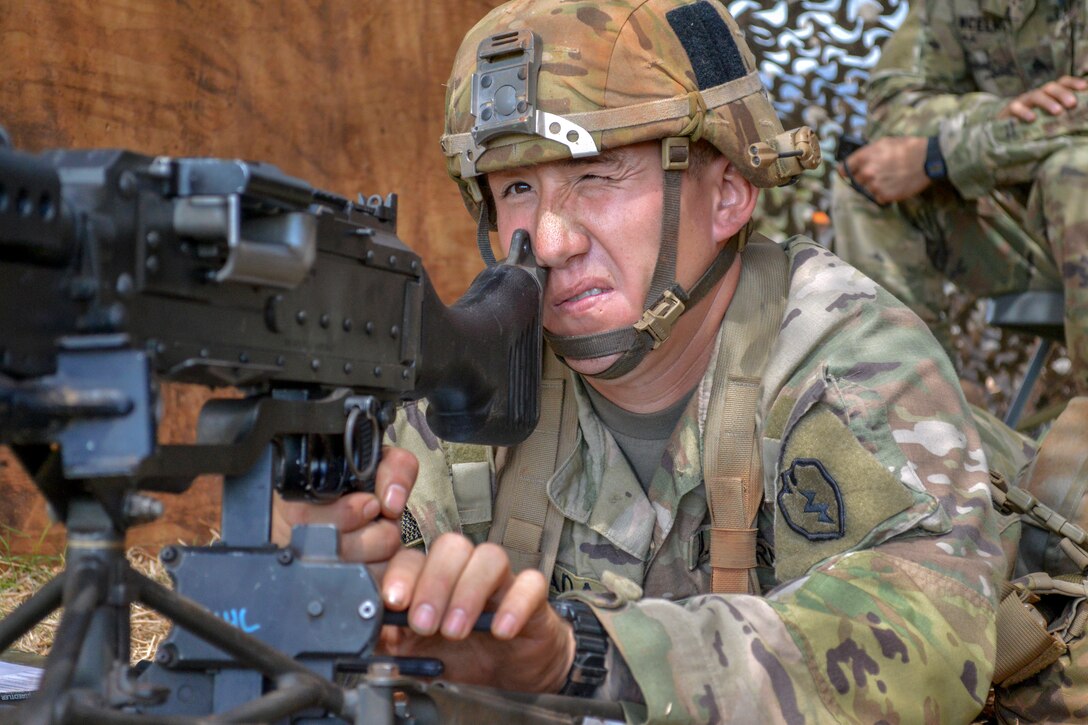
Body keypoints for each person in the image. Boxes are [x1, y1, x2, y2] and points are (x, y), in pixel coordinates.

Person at [279, 0, 1030, 721]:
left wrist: (588, 658)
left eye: (597, 176)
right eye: (515, 188)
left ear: (729, 192)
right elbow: (371, 612)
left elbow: (928, 634)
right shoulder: (480, 377)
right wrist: (320, 561)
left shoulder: (843, 355)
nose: (549, 240)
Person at [831, 0, 1088, 393]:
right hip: (1034, 234)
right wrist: (991, 116)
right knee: (868, 178)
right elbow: (891, 106)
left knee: (1073, 170)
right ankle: (923, 416)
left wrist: (943, 155)